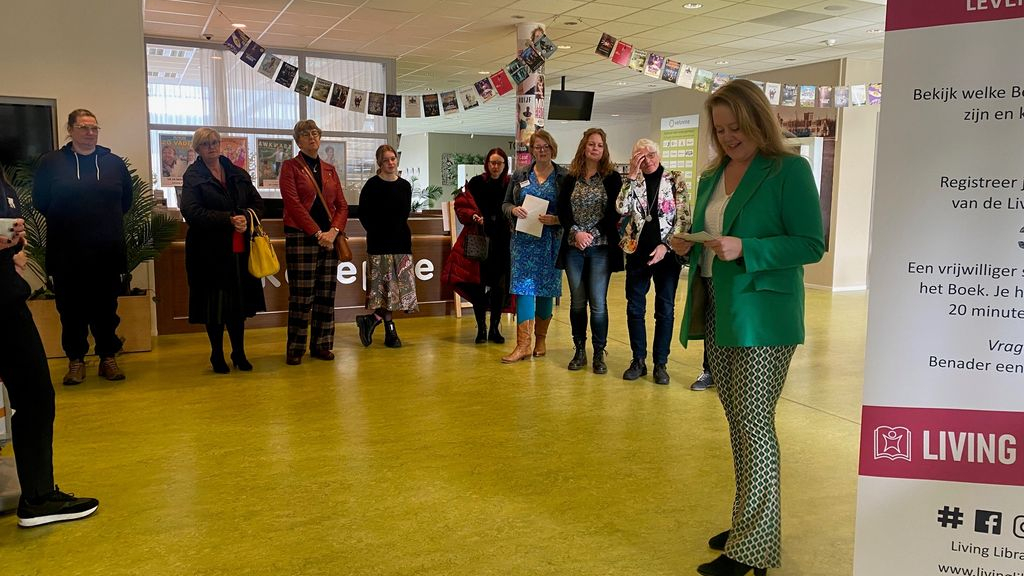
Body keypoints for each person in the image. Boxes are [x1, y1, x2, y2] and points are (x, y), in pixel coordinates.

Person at [671, 79, 825, 576]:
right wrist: (689, 244)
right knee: (739, 422)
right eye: (719, 129)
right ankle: (747, 523)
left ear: (758, 120)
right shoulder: (713, 175)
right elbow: (715, 235)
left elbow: (809, 244)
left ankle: (753, 548)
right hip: (718, 304)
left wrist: (749, 249)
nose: (728, 137)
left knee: (755, 424)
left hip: (765, 314)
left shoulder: (789, 170)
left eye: (736, 126)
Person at [0, 172, 99, 527]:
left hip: (7, 300)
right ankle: (38, 497)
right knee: (35, 396)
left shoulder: (4, 182)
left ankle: (38, 496)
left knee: (35, 397)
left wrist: (17, 247)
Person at [32, 109, 133, 385]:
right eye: (84, 127)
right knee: (71, 310)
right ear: (70, 129)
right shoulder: (51, 163)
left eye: (94, 128)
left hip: (107, 252)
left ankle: (107, 358)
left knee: (106, 309)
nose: (90, 133)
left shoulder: (113, 163)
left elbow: (126, 202)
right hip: (67, 253)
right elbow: (40, 201)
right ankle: (75, 361)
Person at [180, 128, 267, 373]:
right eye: (206, 144)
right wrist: (228, 219)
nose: (212, 147)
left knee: (238, 306)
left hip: (239, 249)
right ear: (197, 149)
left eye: (215, 142)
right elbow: (191, 211)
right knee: (214, 307)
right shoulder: (193, 176)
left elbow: (258, 204)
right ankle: (216, 354)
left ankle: (239, 352)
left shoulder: (237, 173)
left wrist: (244, 218)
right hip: (207, 252)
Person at [616, 138, 690, 385]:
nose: (646, 160)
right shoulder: (633, 179)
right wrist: (632, 175)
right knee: (635, 308)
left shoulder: (674, 179)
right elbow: (620, 207)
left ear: (658, 155)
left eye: (649, 155)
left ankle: (661, 363)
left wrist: (665, 246)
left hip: (667, 255)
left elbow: (683, 218)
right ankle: (638, 359)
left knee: (665, 309)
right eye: (640, 156)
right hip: (637, 252)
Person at [279, 120, 348, 365]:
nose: (312, 138)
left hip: (330, 239)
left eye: (316, 133)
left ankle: (322, 345)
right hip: (302, 237)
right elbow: (293, 204)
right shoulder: (290, 167)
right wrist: (318, 233)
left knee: (326, 295)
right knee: (301, 296)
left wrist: (334, 231)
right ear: (298, 140)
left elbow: (342, 205)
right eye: (306, 134)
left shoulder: (329, 169)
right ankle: (296, 348)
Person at [557, 128, 623, 374]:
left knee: (598, 303)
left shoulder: (612, 178)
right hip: (574, 247)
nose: (595, 148)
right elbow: (563, 210)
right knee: (577, 302)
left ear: (604, 150)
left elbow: (613, 214)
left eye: (600, 145)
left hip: (600, 248)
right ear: (583, 147)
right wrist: (576, 233)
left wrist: (591, 235)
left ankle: (599, 353)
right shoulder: (570, 177)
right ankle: (579, 350)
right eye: (591, 144)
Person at [501, 129, 566, 363]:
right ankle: (523, 345)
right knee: (523, 290)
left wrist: (557, 219)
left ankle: (540, 339)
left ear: (552, 149)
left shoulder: (563, 177)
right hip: (523, 241)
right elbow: (505, 204)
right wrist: (513, 210)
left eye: (545, 146)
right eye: (537, 147)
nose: (541, 150)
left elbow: (571, 211)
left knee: (546, 289)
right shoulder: (519, 175)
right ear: (531, 151)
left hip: (550, 241)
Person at [441, 148, 512, 344]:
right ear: (487, 164)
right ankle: (481, 328)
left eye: (499, 163)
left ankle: (495, 328)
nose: (495, 167)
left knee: (499, 288)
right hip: (479, 240)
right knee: (477, 285)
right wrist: (473, 216)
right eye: (492, 163)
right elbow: (461, 205)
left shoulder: (510, 184)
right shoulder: (476, 183)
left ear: (505, 165)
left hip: (503, 242)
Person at [355, 144, 418, 347]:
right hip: (379, 243)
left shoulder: (405, 186)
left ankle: (372, 320)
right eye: (386, 160)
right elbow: (364, 214)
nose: (390, 163)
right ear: (379, 163)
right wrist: (376, 231)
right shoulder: (371, 186)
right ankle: (390, 330)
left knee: (400, 291)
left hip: (401, 243)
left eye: (393, 159)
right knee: (385, 291)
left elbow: (403, 213)